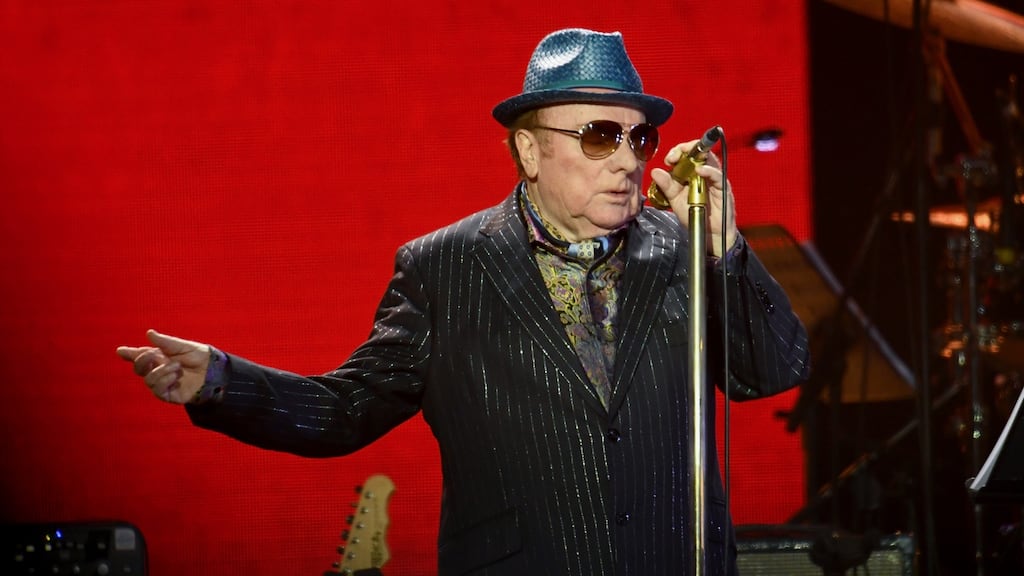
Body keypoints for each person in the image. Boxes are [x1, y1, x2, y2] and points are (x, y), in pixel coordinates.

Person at [117, 28, 810, 575]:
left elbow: (772, 371)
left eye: (639, 137)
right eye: (600, 136)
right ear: (529, 152)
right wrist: (218, 382)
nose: (628, 159)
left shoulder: (680, 247)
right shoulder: (444, 269)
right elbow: (348, 410)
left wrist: (722, 247)